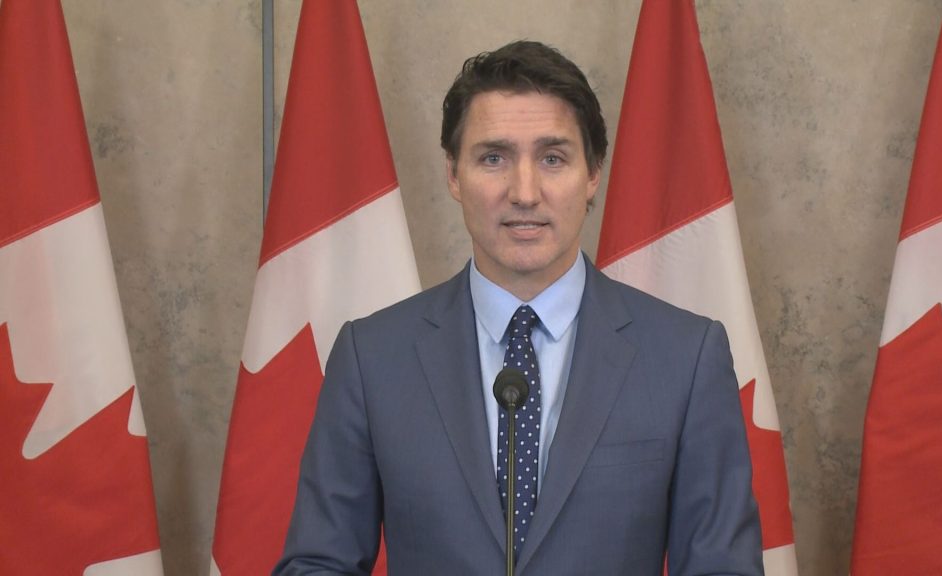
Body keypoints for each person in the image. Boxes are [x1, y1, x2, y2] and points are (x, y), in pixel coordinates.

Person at [274, 40, 763, 576]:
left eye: (553, 158)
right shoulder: (372, 358)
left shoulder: (686, 357)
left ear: (593, 173)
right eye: (493, 158)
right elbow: (317, 564)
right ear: (454, 175)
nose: (524, 192)